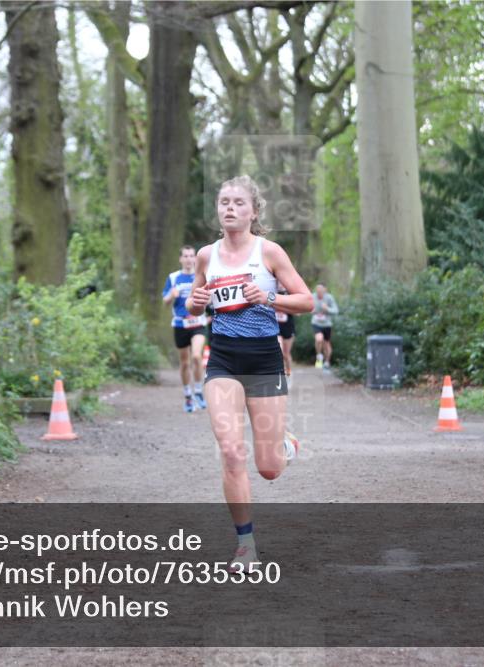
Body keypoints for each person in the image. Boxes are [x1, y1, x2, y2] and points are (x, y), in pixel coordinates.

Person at [187, 175, 313, 572]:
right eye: (224, 202)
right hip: (223, 359)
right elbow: (195, 305)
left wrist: (270, 296)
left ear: (254, 211)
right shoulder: (207, 256)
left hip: (263, 360)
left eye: (239, 203)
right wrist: (195, 302)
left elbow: (306, 300)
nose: (230, 208)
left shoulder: (270, 252)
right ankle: (246, 545)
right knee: (230, 450)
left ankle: (286, 446)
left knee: (269, 468)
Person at [162, 246, 208, 412]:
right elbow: (165, 301)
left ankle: (198, 390)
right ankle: (188, 395)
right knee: (184, 362)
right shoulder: (173, 277)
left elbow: (209, 298)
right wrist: (171, 295)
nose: (189, 259)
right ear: (181, 259)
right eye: (185, 256)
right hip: (180, 324)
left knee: (196, 356)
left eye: (191, 256)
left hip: (198, 323)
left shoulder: (201, 275)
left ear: (195, 258)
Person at [311, 283, 338, 370]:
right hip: (316, 323)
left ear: (324, 290)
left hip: (327, 324)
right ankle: (319, 356)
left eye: (321, 291)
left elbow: (336, 310)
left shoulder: (329, 298)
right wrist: (311, 309)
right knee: (319, 339)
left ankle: (327, 362)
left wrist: (327, 309)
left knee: (326, 344)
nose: (319, 292)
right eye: (317, 290)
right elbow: (307, 307)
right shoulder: (313, 296)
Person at [275, 287, 295, 384]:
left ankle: (289, 373)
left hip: (288, 327)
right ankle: (280, 376)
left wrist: (283, 307)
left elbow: (298, 312)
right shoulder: (272, 291)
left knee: (286, 354)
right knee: (280, 352)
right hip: (276, 327)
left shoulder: (291, 295)